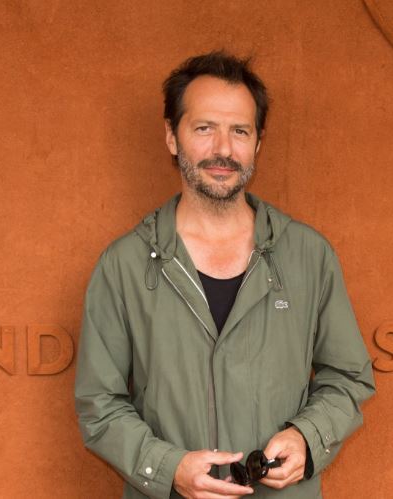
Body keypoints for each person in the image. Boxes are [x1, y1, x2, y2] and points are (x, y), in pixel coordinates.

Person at [74, 51, 376, 499]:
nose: (223, 150)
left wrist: (307, 438)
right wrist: (169, 468)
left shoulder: (308, 256)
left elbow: (348, 377)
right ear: (172, 136)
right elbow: (99, 404)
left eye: (239, 131)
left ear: (258, 143)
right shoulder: (124, 265)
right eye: (204, 128)